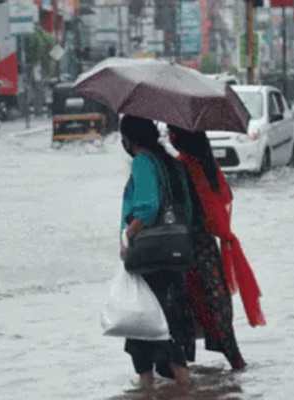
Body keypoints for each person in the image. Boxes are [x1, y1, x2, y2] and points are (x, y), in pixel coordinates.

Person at [169, 126, 266, 369]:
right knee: (216, 302)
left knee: (189, 305)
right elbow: (222, 201)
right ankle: (235, 362)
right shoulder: (209, 166)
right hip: (208, 246)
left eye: (172, 132)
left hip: (188, 248)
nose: (169, 136)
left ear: (181, 138)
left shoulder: (184, 167)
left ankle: (182, 376)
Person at [119, 115, 194, 389]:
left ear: (128, 138)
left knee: (145, 325)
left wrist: (129, 233)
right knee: (166, 323)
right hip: (173, 254)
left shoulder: (142, 162)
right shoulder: (168, 161)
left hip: (150, 256)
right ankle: (186, 389)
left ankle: (147, 388)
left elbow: (148, 208)